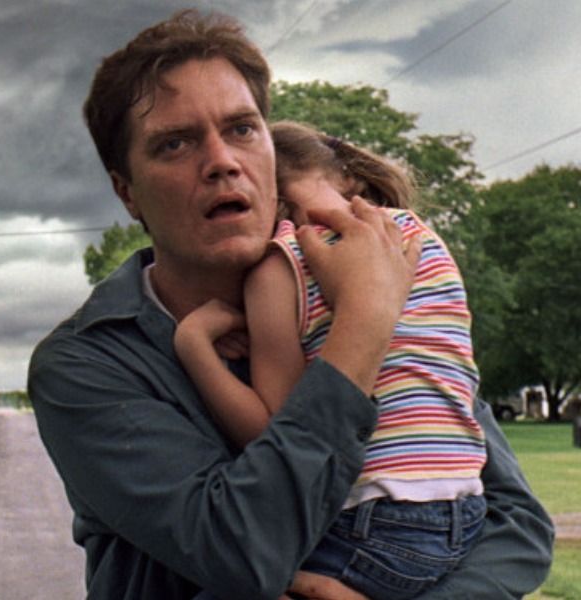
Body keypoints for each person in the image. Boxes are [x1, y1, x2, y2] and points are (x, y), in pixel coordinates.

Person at [28, 9, 554, 600]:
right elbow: (240, 551)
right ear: (127, 191)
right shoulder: (87, 363)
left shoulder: (354, 289)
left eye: (242, 129)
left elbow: (519, 525)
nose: (222, 160)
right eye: (175, 143)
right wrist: (364, 322)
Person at [173, 121, 487, 599]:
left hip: (373, 521)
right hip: (465, 515)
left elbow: (279, 436)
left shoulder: (282, 262)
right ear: (346, 176)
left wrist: (195, 345)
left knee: (227, 578)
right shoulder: (423, 238)